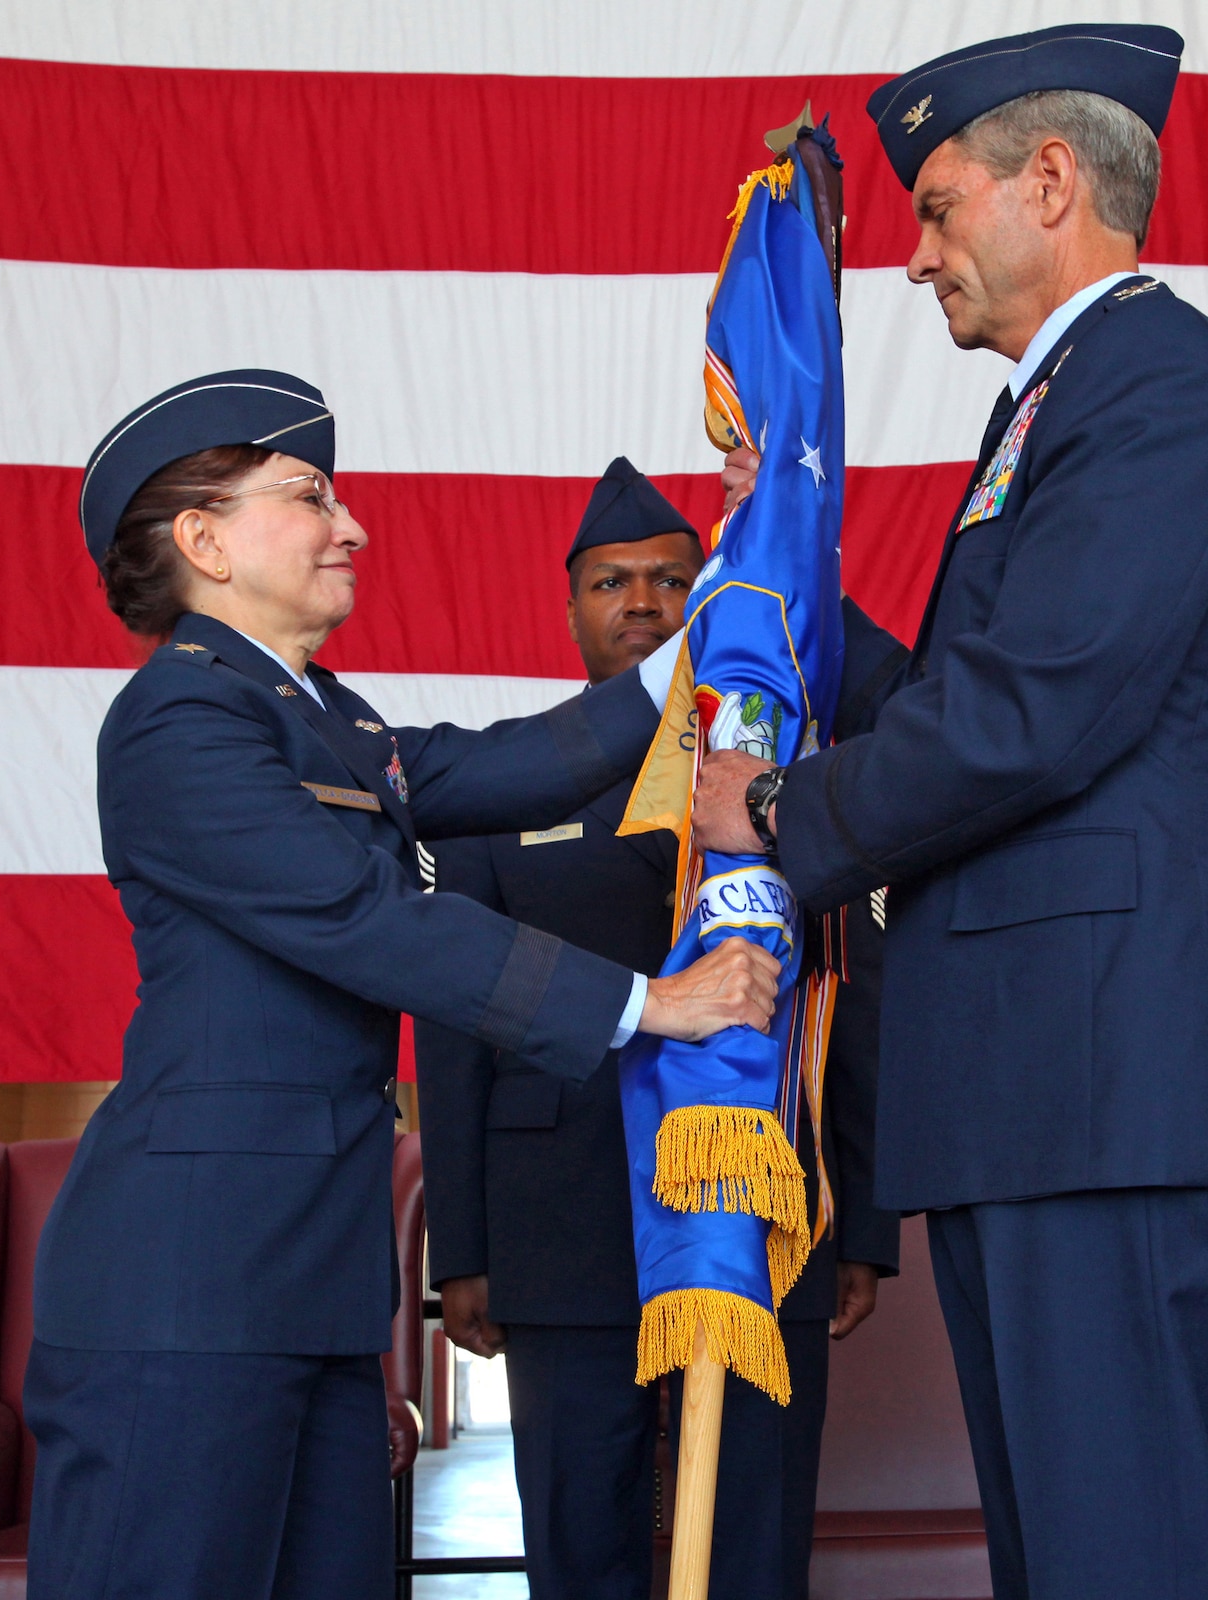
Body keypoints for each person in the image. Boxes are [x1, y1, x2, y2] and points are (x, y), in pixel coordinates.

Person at [695, 27, 1208, 1600]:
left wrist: (774, 804)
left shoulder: (1155, 380)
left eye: (940, 207)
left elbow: (1037, 713)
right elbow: (991, 684)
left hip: (1098, 1081)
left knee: (1122, 1557)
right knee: (1068, 1557)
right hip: (1044, 1084)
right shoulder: (1073, 394)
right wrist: (793, 570)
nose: (914, 258)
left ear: (1050, 183)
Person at [25, 373, 781, 1600]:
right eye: (309, 497)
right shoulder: (179, 719)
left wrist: (729, 595)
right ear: (204, 543)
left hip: (311, 1284)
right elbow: (361, 915)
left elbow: (515, 763)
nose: (351, 525)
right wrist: (654, 1003)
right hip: (188, 1289)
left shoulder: (314, 712)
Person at [417, 458, 898, 1600]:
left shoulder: (784, 780)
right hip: (562, 1231)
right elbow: (451, 1029)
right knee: (580, 1537)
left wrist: (862, 1227)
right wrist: (466, 1253)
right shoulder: (497, 784)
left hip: (757, 1215)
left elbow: (849, 990)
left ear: (706, 599)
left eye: (670, 579)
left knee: (751, 1533)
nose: (641, 601)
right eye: (611, 582)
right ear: (571, 606)